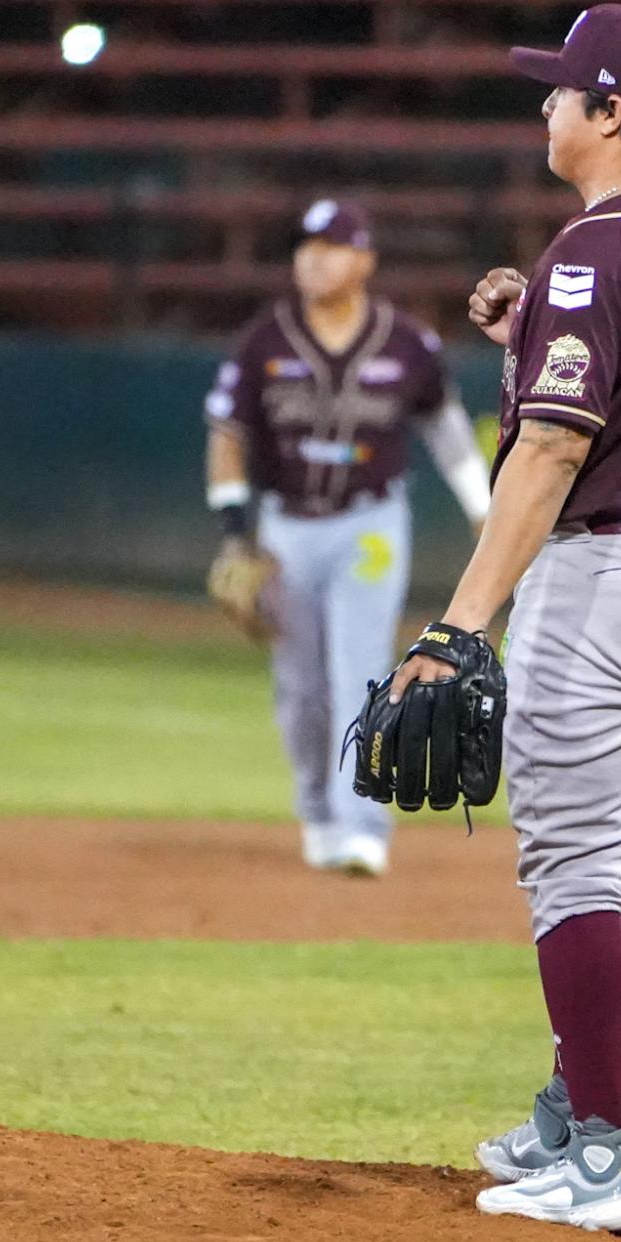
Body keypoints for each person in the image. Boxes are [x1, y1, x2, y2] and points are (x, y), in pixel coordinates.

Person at [383, 4, 621, 1234]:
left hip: (609, 582)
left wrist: (458, 624)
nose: (543, 107)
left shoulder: (594, 251)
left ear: (611, 114)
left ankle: (605, 1155)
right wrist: (526, 329)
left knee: (571, 865)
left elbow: (550, 449)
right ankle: (568, 1107)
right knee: (595, 856)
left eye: (561, 93)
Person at [204, 198, 490, 876]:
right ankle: (319, 810)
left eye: (331, 246)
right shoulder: (263, 342)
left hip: (370, 526)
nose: (314, 258)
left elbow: (446, 432)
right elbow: (227, 439)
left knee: (361, 670)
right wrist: (234, 537)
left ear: (363, 260)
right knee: (302, 687)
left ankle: (364, 823)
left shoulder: (405, 342)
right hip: (285, 529)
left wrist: (485, 510)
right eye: (305, 246)